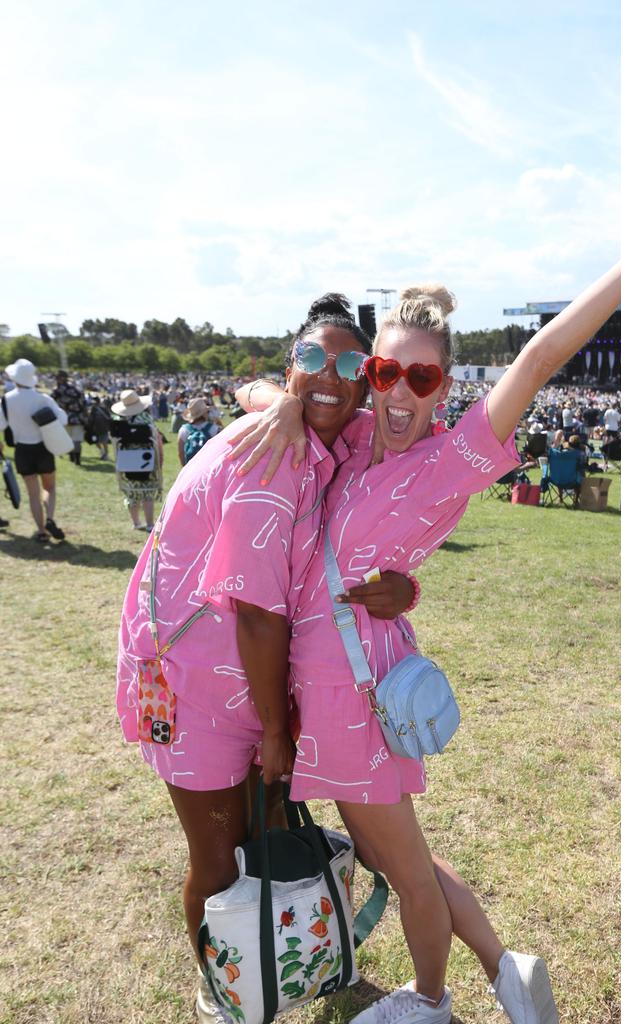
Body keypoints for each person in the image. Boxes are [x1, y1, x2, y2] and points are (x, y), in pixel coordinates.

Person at [233, 166, 621, 1024]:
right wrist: (277, 405)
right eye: (386, 371)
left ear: (447, 383)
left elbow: (543, 352)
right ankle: (504, 966)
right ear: (370, 371)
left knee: (402, 868)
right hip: (325, 683)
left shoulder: (452, 458)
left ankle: (432, 1000)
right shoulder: (358, 427)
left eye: (423, 379)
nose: (400, 393)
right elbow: (267, 389)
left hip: (352, 692)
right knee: (396, 853)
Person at [116, 298, 415, 1024]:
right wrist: (279, 731)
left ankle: (268, 970)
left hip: (239, 684)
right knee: (219, 859)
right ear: (289, 370)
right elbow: (254, 609)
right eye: (312, 359)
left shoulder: (321, 441)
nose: (329, 376)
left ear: (369, 378)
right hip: (193, 687)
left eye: (351, 364)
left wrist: (402, 587)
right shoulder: (274, 451)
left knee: (264, 837)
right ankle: (219, 993)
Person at [0, 358, 67, 542]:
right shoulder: (43, 399)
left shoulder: (6, 400)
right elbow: (63, 419)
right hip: (43, 448)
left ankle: (41, 531)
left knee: (33, 494)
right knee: (50, 487)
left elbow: (1, 424)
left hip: (22, 450)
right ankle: (50, 519)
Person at [110, 389, 164, 532]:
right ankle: (150, 523)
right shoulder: (147, 420)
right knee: (147, 494)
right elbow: (157, 440)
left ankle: (136, 522)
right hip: (148, 460)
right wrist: (160, 460)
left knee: (132, 494)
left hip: (126, 461)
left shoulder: (119, 422)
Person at [51, 370, 87, 465]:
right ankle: (77, 460)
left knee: (68, 439)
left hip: (64, 418)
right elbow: (84, 402)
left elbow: (51, 402)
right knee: (77, 439)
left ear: (61, 378)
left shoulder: (57, 390)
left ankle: (72, 457)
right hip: (78, 418)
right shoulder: (76, 388)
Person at [177, 397, 219, 466]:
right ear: (204, 413)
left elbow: (181, 453)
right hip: (209, 467)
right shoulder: (214, 429)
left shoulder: (183, 430)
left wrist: (184, 467)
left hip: (191, 468)